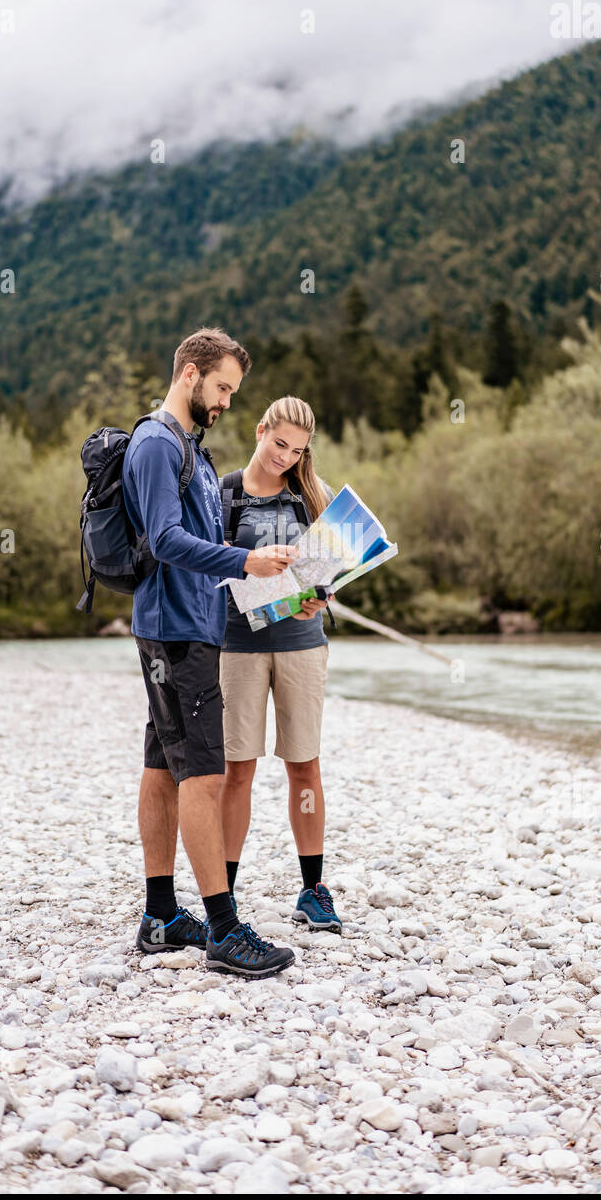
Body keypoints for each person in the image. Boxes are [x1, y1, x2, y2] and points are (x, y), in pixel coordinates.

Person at [122, 327, 299, 979]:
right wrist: (248, 558)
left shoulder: (187, 449)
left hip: (188, 625)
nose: (225, 401)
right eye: (222, 387)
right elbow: (166, 541)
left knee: (165, 766)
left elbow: (202, 554)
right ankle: (223, 929)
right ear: (190, 374)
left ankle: (161, 917)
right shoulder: (155, 445)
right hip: (174, 634)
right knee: (205, 772)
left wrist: (280, 587)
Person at [218, 396, 343, 933]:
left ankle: (312, 889)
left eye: (297, 450)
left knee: (304, 764)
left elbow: (331, 573)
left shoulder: (315, 496)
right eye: (279, 444)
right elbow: (205, 564)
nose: (285, 457)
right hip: (237, 645)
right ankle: (221, 893)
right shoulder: (222, 493)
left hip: (301, 646)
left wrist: (322, 597)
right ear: (260, 430)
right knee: (236, 768)